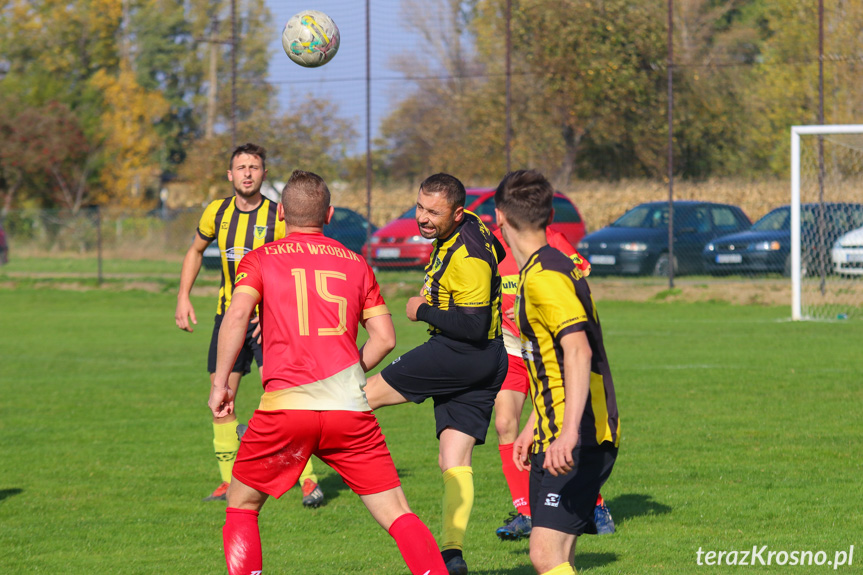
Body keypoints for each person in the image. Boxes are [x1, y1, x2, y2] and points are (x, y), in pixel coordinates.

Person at [208, 170, 448, 575]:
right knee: (397, 512)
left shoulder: (261, 259)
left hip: (286, 408)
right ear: (331, 214)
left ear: (280, 213)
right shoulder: (356, 264)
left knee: (243, 505)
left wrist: (220, 383)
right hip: (348, 411)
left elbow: (236, 316)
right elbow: (385, 339)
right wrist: (349, 373)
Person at [364, 173, 508, 575]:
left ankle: (285, 453)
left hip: (462, 352)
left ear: (457, 213)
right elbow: (499, 251)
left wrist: (422, 309)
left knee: (361, 397)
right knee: (454, 459)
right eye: (420, 207)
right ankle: (452, 555)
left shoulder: (467, 256)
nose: (422, 218)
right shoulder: (475, 226)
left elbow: (474, 327)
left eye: (433, 212)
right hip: (488, 358)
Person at [175, 143, 324, 506]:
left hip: (268, 322)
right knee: (221, 395)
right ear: (230, 175)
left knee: (286, 396)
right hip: (228, 319)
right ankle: (227, 481)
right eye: (240, 167)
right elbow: (195, 250)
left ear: (263, 174)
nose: (246, 173)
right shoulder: (217, 212)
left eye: (254, 167)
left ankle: (307, 479)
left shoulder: (279, 216)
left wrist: (275, 308)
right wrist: (183, 296)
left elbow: (294, 267)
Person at [495, 169, 620, 575]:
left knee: (544, 554)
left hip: (577, 433)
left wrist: (566, 432)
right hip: (563, 429)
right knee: (560, 553)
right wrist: (535, 423)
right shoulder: (545, 266)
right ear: (550, 215)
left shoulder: (545, 276)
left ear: (500, 217)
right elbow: (552, 362)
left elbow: (578, 351)